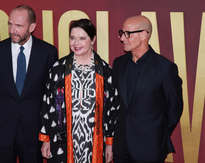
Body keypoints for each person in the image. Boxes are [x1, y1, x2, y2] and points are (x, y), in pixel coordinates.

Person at [0, 5, 58, 163]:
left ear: (32, 27)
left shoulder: (48, 53)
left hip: (33, 131)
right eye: (10, 24)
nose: (12, 30)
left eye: (18, 26)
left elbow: (50, 93)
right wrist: (6, 105)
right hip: (2, 131)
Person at [39, 18, 121, 163]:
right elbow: (47, 105)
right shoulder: (58, 69)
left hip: (94, 140)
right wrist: (46, 139)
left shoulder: (105, 71)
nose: (76, 44)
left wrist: (109, 144)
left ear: (93, 39)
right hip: (62, 140)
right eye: (72, 38)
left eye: (82, 38)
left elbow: (112, 111)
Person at [112, 15, 183, 163]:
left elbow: (174, 108)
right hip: (121, 147)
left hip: (150, 148)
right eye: (122, 33)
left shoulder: (165, 68)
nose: (122, 39)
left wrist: (157, 133)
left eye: (127, 34)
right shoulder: (118, 64)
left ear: (144, 34)